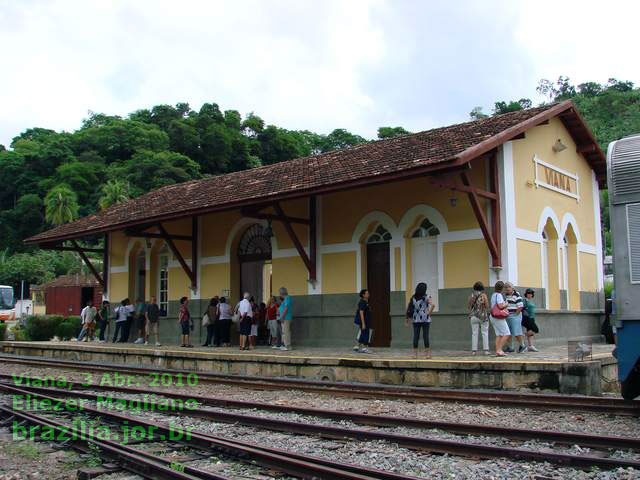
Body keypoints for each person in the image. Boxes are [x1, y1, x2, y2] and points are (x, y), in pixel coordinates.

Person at [405, 282, 434, 359]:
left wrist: (407, 319)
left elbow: (409, 308)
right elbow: (433, 305)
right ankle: (427, 354)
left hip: (416, 319)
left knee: (416, 336)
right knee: (425, 336)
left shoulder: (413, 297)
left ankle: (415, 354)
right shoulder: (427, 297)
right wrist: (429, 313)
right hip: (425, 319)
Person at [468, 282, 490, 355]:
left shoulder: (472, 295)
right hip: (482, 316)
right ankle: (486, 350)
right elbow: (487, 306)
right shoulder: (483, 295)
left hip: (474, 316)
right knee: (485, 333)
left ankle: (474, 351)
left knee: (474, 333)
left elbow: (469, 306)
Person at [490, 282, 510, 357]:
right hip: (498, 317)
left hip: (493, 316)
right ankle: (499, 350)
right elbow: (500, 306)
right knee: (506, 333)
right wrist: (506, 304)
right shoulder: (499, 295)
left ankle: (498, 350)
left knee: (499, 334)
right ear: (502, 288)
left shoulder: (493, 295)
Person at [503, 282, 525, 353]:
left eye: (508, 287)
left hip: (515, 315)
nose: (507, 288)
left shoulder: (516, 295)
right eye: (506, 287)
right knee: (508, 332)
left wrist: (515, 314)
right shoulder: (505, 295)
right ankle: (510, 347)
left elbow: (520, 306)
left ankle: (522, 346)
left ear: (512, 288)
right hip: (507, 315)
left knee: (517, 332)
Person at [354, 289, 372, 353]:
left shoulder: (365, 302)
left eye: (368, 293)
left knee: (362, 333)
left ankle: (357, 346)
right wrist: (363, 323)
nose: (368, 294)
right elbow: (361, 312)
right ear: (363, 295)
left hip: (366, 320)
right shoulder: (362, 302)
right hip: (364, 321)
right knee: (365, 333)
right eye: (367, 293)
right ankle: (365, 348)